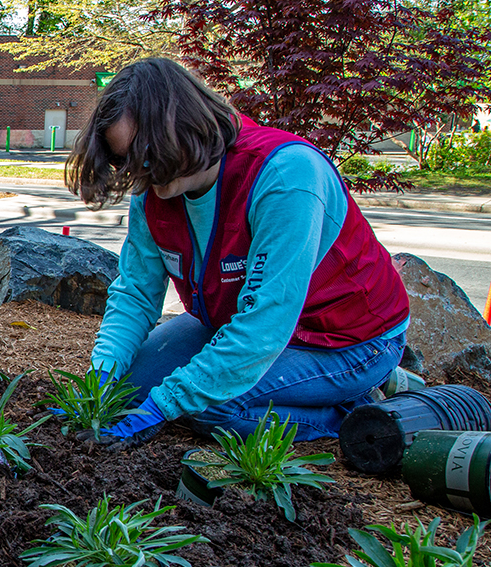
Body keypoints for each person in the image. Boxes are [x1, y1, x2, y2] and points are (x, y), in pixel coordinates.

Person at [66, 58, 410, 446]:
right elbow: (135, 294)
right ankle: (307, 388)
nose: (138, 176)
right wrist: (100, 381)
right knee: (128, 391)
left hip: (345, 339)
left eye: (147, 158)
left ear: (182, 126)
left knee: (210, 408)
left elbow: (264, 324)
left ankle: (352, 406)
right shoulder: (154, 190)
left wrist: (166, 404)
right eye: (124, 161)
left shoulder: (284, 176)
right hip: (237, 323)